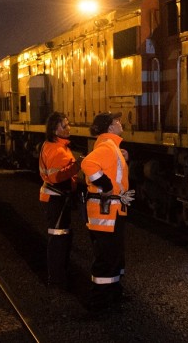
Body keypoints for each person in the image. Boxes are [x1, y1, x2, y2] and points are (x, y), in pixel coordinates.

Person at [80, 111, 135, 311]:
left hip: (113, 211)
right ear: (110, 127)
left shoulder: (111, 146)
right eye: (117, 121)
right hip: (106, 213)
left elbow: (111, 168)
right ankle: (98, 303)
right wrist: (106, 185)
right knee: (106, 256)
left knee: (114, 255)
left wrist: (123, 157)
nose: (121, 123)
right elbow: (87, 163)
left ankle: (113, 294)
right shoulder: (107, 146)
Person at [38, 111, 81, 290]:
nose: (68, 127)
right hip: (56, 199)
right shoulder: (56, 149)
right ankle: (56, 279)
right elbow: (56, 177)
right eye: (65, 125)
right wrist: (77, 166)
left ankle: (58, 275)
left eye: (68, 123)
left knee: (62, 237)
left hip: (57, 198)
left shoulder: (56, 145)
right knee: (58, 239)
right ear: (56, 129)